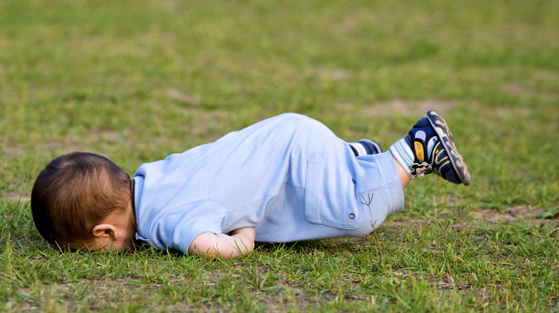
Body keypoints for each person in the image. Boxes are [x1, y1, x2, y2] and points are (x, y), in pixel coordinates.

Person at [30, 111, 471, 259]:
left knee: (356, 214)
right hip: (290, 136)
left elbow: (219, 248)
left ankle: (414, 150)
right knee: (295, 203)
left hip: (297, 161)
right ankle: (357, 157)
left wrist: (241, 238)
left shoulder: (165, 222)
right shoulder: (149, 177)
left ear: (105, 233)